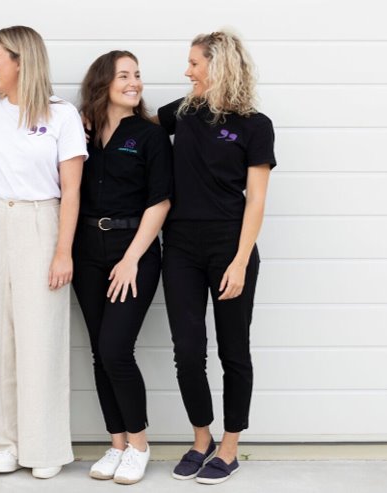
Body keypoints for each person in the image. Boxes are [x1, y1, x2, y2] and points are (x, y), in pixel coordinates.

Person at [0, 25, 86, 480]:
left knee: (39, 335)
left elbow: (72, 190)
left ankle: (42, 444)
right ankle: (0, 441)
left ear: (21, 61)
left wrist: (63, 251)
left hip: (42, 221)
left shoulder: (62, 115)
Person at [157, 29, 276, 485]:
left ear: (219, 66)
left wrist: (241, 260)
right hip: (181, 247)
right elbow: (128, 123)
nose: (187, 72)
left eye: (194, 64)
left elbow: (257, 201)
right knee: (187, 351)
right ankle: (200, 438)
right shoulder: (181, 115)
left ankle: (230, 447)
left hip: (231, 245)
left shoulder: (255, 125)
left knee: (234, 352)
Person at [73, 50, 172, 485]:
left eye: (137, 75)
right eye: (124, 75)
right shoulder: (81, 131)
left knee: (116, 349)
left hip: (134, 251)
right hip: (86, 249)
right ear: (103, 83)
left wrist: (131, 258)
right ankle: (116, 445)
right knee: (99, 352)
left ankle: (139, 444)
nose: (135, 82)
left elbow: (161, 200)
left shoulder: (149, 136)